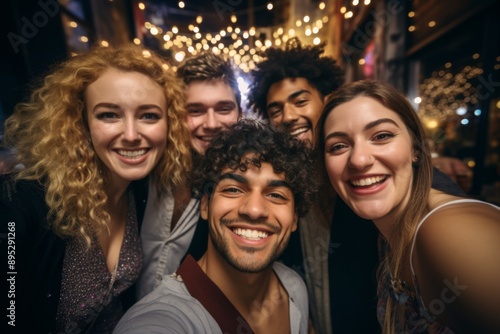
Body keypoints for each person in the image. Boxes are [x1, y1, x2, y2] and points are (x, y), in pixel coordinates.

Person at [247, 38, 469, 333]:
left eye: (300, 101)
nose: (288, 116)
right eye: (275, 110)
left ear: (326, 101)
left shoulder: (364, 176)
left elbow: (424, 196)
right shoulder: (287, 179)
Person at [0, 44, 191, 333]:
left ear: (169, 125)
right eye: (109, 115)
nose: (130, 135)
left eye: (148, 116)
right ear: (81, 123)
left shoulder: (140, 192)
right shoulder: (24, 202)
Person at [318, 80, 500, 333]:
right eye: (338, 146)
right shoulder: (387, 236)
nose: (359, 160)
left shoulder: (447, 229)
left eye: (381, 136)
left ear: (416, 148)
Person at [114, 120, 316, 333]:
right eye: (233, 190)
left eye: (276, 195)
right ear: (205, 205)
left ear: (294, 219)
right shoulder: (163, 320)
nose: (254, 209)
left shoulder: (293, 287)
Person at [136, 51, 242, 299]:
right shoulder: (140, 171)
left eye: (224, 108)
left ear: (240, 113)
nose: (212, 123)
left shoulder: (240, 191)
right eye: (195, 110)